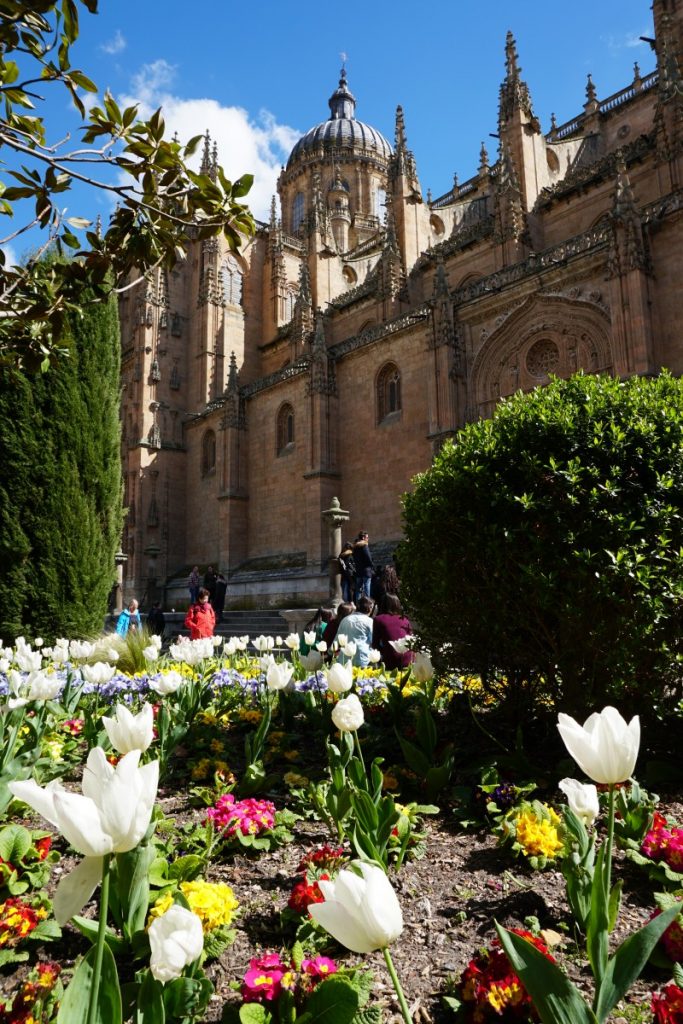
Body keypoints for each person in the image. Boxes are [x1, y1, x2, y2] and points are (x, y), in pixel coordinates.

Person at [372, 594, 414, 670]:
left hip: (391, 658)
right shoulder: (404, 619)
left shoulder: (378, 619)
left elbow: (375, 644)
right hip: (409, 657)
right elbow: (411, 639)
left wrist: (386, 651)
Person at [335, 595, 375, 667]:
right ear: (370, 608)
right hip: (362, 659)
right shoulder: (369, 621)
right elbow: (374, 642)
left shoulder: (345, 619)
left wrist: (330, 653)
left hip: (344, 659)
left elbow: (336, 641)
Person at [353, 531, 374, 602]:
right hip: (366, 570)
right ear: (363, 538)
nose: (368, 539)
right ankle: (368, 603)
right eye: (367, 537)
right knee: (367, 587)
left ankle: (358, 604)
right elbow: (368, 557)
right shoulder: (364, 546)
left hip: (358, 571)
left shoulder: (355, 548)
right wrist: (372, 565)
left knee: (358, 589)